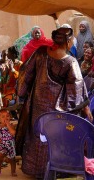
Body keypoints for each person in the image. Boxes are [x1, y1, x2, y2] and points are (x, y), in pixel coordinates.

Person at [15, 27, 93, 178]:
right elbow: (76, 91)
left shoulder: (40, 53)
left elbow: (26, 74)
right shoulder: (71, 62)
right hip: (57, 113)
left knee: (37, 136)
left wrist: (22, 95)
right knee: (55, 139)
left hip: (37, 108)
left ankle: (36, 170)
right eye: (71, 41)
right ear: (68, 41)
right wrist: (85, 109)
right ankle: (56, 170)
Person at [0, 109, 17, 176]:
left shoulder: (12, 125)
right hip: (2, 145)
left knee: (12, 159)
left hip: (10, 146)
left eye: (7, 116)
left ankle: (13, 171)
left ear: (10, 117)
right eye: (3, 117)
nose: (6, 118)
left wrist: (8, 125)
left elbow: (13, 133)